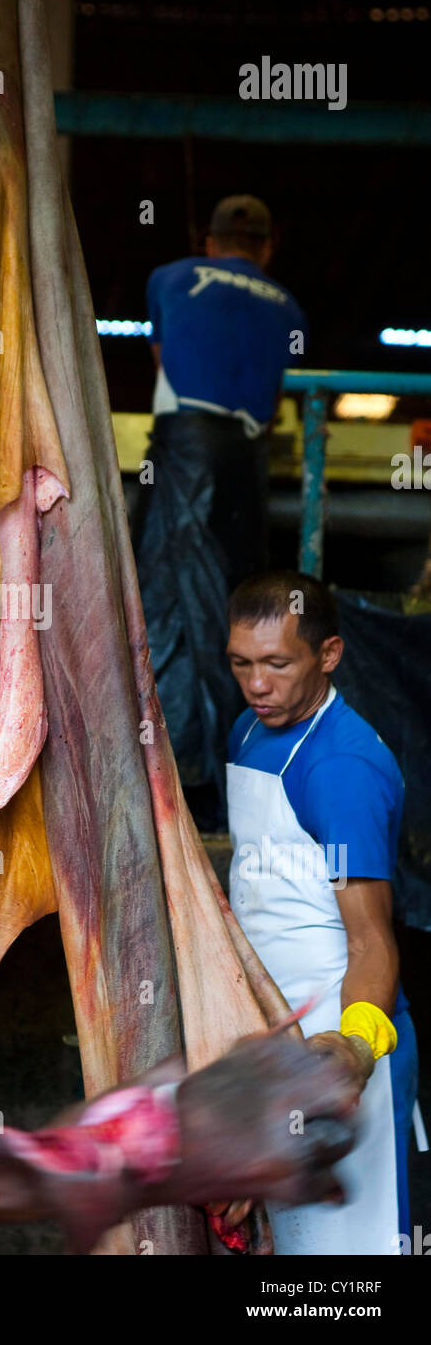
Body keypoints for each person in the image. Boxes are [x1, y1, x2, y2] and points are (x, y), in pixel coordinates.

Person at [225, 570, 419, 1254]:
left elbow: (370, 938)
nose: (257, 685)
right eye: (242, 664)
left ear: (329, 654)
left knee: (340, 1272)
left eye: (278, 663)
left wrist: (354, 1047)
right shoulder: (249, 730)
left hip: (334, 1037)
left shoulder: (341, 770)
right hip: (273, 1034)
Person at [134, 195, 307, 830]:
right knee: (238, 608)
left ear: (208, 239)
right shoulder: (288, 305)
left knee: (164, 606)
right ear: (270, 244)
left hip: (186, 453)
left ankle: (172, 787)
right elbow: (273, 394)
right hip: (249, 466)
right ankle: (232, 786)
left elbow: (164, 359)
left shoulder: (171, 277)